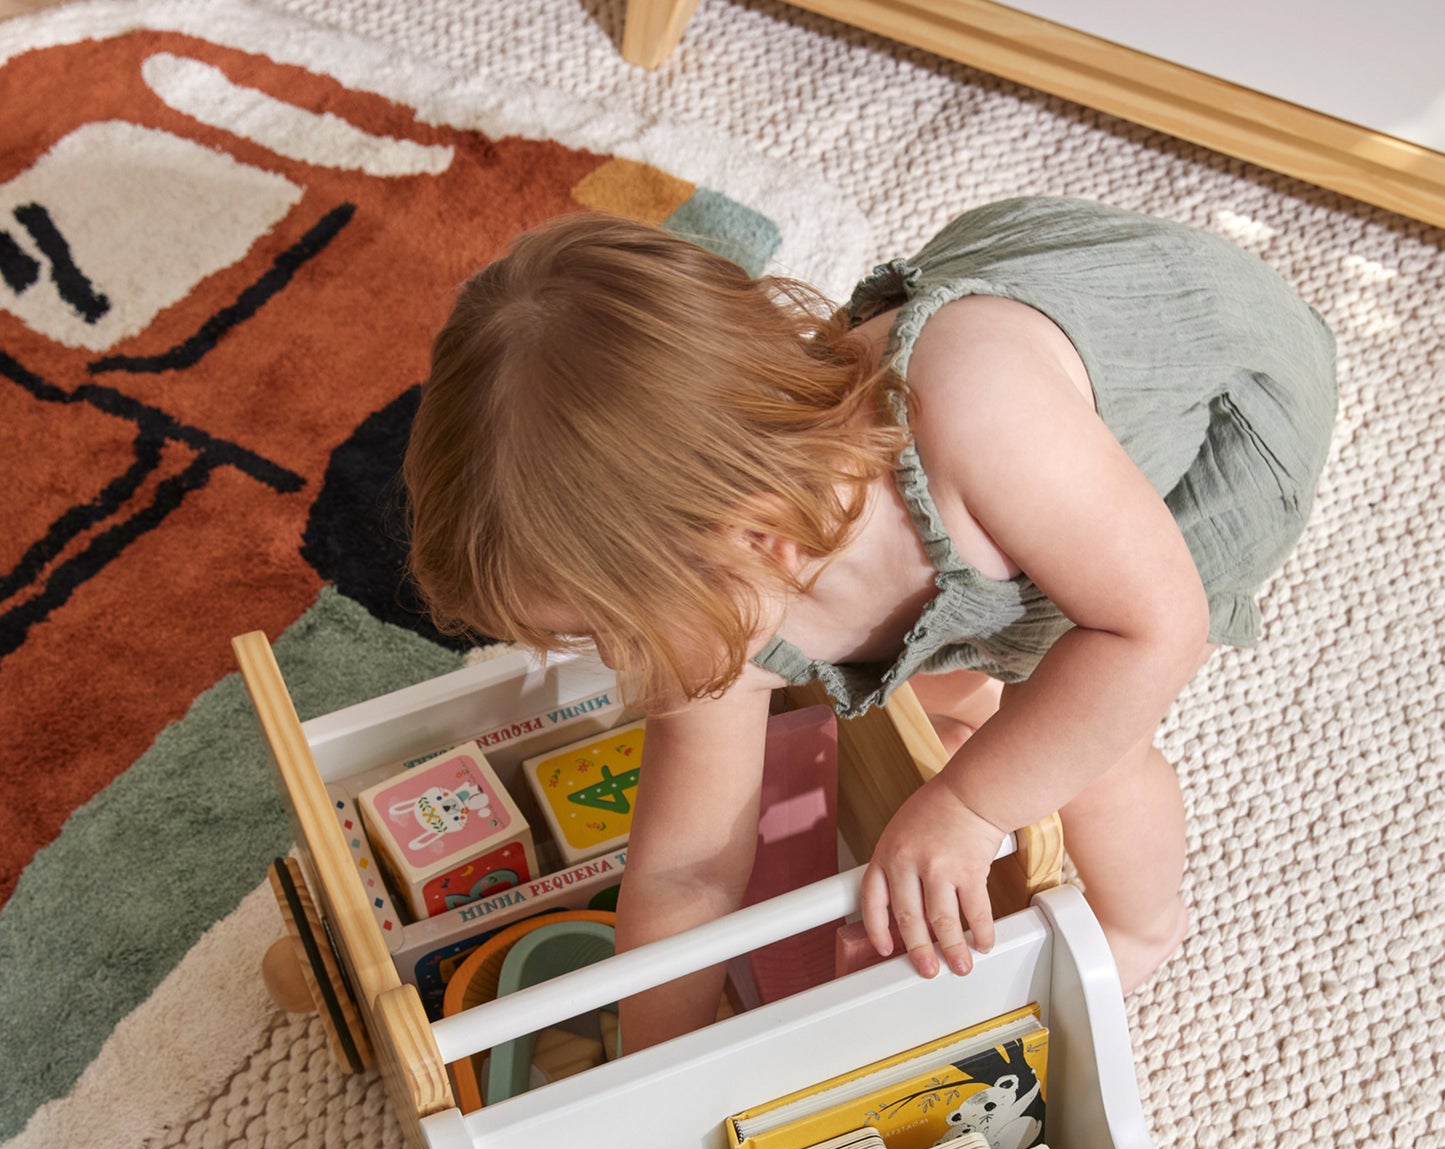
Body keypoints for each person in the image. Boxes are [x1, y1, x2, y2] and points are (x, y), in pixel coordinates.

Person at [404, 196, 1337, 1052]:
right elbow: (687, 873)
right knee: (959, 692)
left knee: (1086, 736)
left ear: (754, 538)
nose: (620, 663)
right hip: (988, 502)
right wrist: (651, 1065)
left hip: (1203, 383)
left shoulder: (984, 415)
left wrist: (970, 808)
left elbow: (1151, 634)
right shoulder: (719, 589)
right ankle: (971, 695)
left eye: (617, 628)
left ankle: (1142, 928)